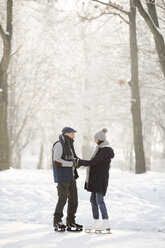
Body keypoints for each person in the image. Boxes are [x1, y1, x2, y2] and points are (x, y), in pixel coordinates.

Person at [76, 128, 114, 232]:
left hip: (100, 179)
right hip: (96, 179)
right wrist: (80, 162)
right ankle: (96, 221)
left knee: (99, 200)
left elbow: (93, 162)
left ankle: (106, 222)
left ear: (99, 139)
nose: (94, 139)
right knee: (93, 200)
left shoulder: (105, 150)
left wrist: (79, 161)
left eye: (95, 138)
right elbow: (94, 163)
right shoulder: (100, 149)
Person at [52, 127, 83, 232]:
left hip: (71, 176)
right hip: (62, 176)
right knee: (63, 199)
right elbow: (56, 160)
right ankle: (57, 221)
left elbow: (73, 158)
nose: (74, 135)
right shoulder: (59, 144)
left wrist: (77, 163)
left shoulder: (70, 145)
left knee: (74, 199)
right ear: (66, 133)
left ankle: (70, 221)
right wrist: (71, 164)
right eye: (72, 133)